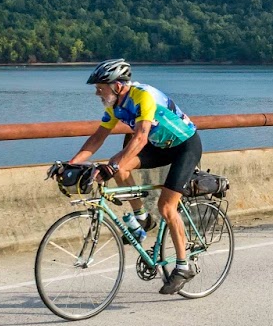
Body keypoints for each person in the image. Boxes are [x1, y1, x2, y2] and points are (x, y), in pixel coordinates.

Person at [66, 58, 202, 295]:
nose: (97, 92)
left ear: (117, 85)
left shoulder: (143, 96)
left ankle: (183, 267)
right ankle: (142, 218)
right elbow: (98, 137)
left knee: (167, 207)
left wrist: (113, 167)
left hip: (184, 146)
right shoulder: (115, 105)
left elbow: (139, 138)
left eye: (100, 87)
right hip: (159, 146)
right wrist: (71, 163)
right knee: (120, 167)